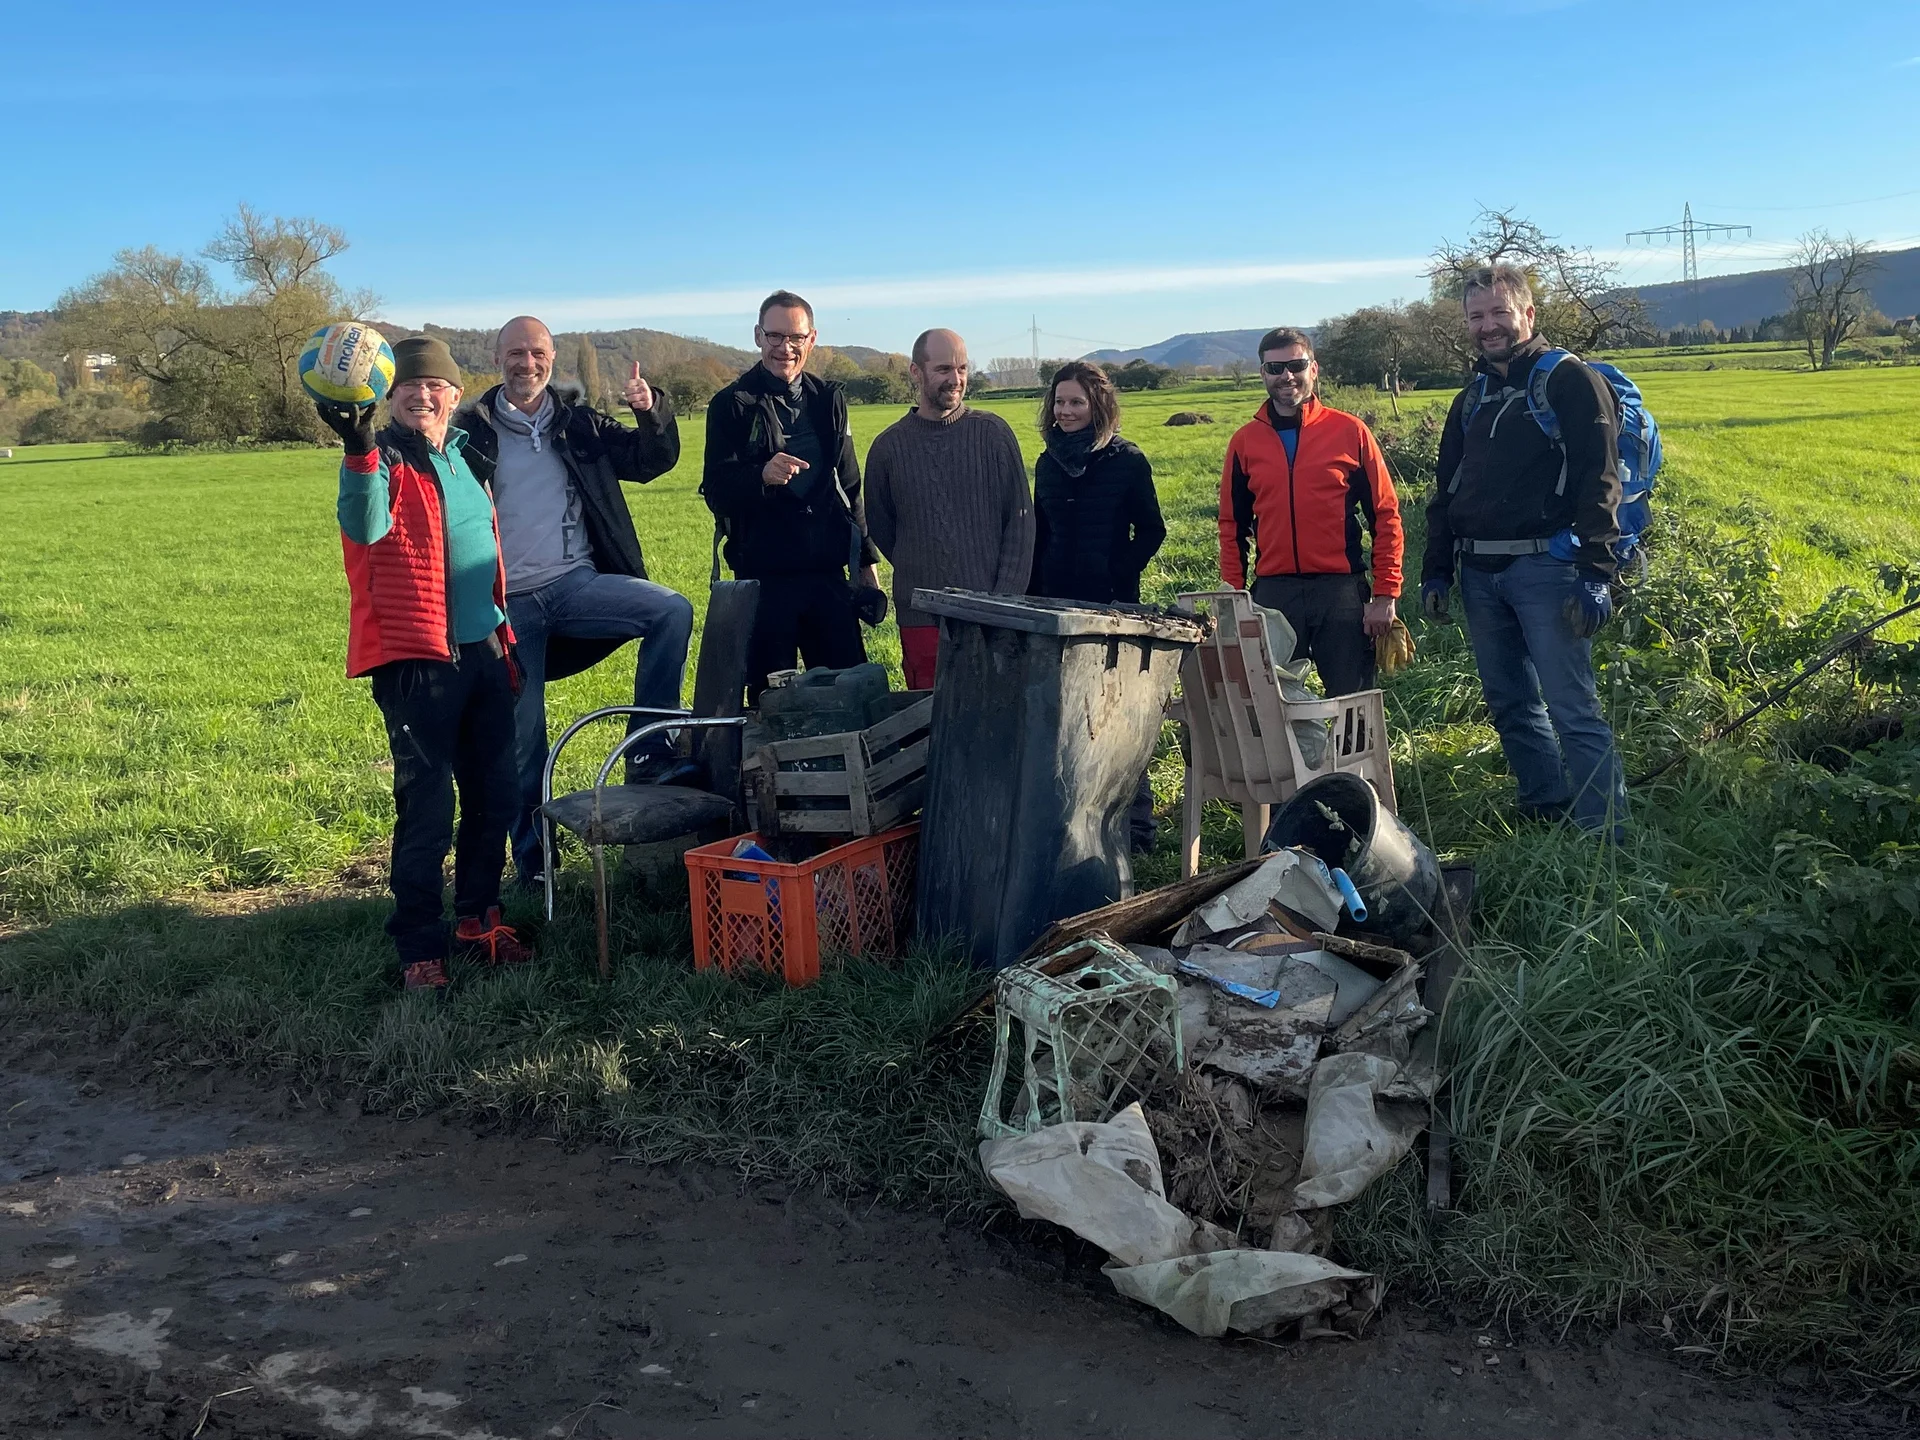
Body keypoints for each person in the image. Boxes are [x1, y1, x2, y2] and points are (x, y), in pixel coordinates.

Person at [317, 335, 531, 993]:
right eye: (409, 386)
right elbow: (364, 526)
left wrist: (500, 639)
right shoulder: (378, 460)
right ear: (390, 394)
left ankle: (476, 919)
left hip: (487, 652)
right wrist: (357, 450)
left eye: (435, 385)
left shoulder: (467, 459)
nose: (423, 394)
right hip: (418, 664)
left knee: (494, 797)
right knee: (428, 810)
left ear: (455, 395)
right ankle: (418, 947)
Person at [452, 316, 689, 888]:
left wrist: (649, 406)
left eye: (536, 352)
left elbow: (648, 460)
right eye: (514, 353)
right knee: (523, 743)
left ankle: (650, 750)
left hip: (576, 585)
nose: (525, 363)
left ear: (552, 358)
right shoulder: (470, 431)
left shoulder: (577, 423)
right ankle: (537, 866)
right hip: (508, 608)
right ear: (497, 356)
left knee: (670, 610)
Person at [1420, 264, 1628, 838]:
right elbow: (1448, 490)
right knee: (1511, 704)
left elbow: (1600, 480)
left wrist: (1596, 572)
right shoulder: (1473, 397)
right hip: (1480, 574)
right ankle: (1546, 807)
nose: (1488, 326)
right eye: (1476, 316)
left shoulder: (1569, 380)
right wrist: (1436, 571)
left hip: (1548, 571)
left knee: (1573, 710)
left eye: (1498, 313)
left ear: (1527, 314)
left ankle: (1605, 836)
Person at [702, 291, 880, 704]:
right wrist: (761, 476)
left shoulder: (828, 399)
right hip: (766, 582)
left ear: (812, 339)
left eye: (796, 337)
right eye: (775, 336)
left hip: (828, 578)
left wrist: (868, 563)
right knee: (771, 704)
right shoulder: (731, 405)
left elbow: (850, 486)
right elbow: (717, 492)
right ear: (758, 337)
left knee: (850, 698)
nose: (786, 348)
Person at [1217, 327, 1403, 697]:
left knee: (1353, 703)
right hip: (1274, 593)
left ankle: (1356, 758)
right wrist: (1233, 599)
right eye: (1275, 367)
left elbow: (1385, 514)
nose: (1286, 376)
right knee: (1274, 705)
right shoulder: (1244, 442)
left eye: (1296, 365)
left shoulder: (1350, 431)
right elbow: (1231, 526)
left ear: (1313, 369)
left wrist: (1385, 595)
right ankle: (1294, 760)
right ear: (1263, 374)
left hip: (1341, 591)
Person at [1028, 360, 1167, 850]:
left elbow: (1153, 530)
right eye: (1060, 402)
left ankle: (1137, 829)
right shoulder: (1047, 463)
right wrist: (1033, 597)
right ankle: (1074, 824)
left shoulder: (1127, 461)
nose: (1065, 411)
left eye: (1076, 403)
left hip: (1112, 609)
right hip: (1057, 607)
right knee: (1065, 718)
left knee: (1118, 716)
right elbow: (1039, 535)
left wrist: (1118, 574)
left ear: (1098, 406)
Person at [864, 328, 1034, 689]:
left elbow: (1020, 524)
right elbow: (881, 525)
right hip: (921, 615)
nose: (955, 380)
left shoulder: (993, 434)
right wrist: (921, 566)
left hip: (991, 613)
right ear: (915, 372)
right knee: (929, 722)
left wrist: (1003, 604)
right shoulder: (888, 448)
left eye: (962, 368)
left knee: (997, 720)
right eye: (943, 369)